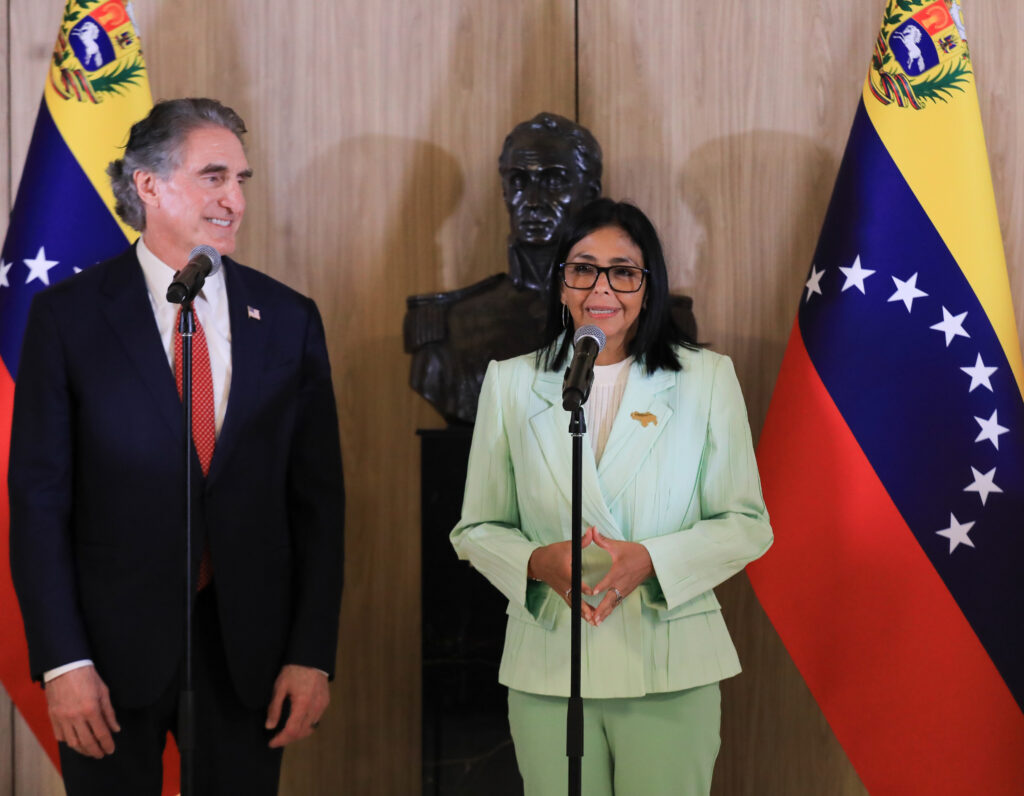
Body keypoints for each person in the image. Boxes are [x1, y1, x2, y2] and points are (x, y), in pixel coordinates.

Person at [8, 98, 345, 795]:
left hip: (249, 658)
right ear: (149, 185)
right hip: (106, 658)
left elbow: (319, 506)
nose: (234, 200)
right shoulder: (68, 317)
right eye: (213, 177)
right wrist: (64, 662)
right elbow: (38, 503)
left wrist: (312, 654)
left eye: (241, 180)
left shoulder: (289, 318)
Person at [450, 198, 771, 795]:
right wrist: (537, 562)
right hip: (550, 663)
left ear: (648, 286)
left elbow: (746, 522)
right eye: (583, 269)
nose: (602, 287)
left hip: (670, 664)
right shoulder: (511, 382)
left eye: (622, 271)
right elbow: (477, 527)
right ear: (561, 284)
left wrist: (649, 560)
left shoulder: (705, 379)